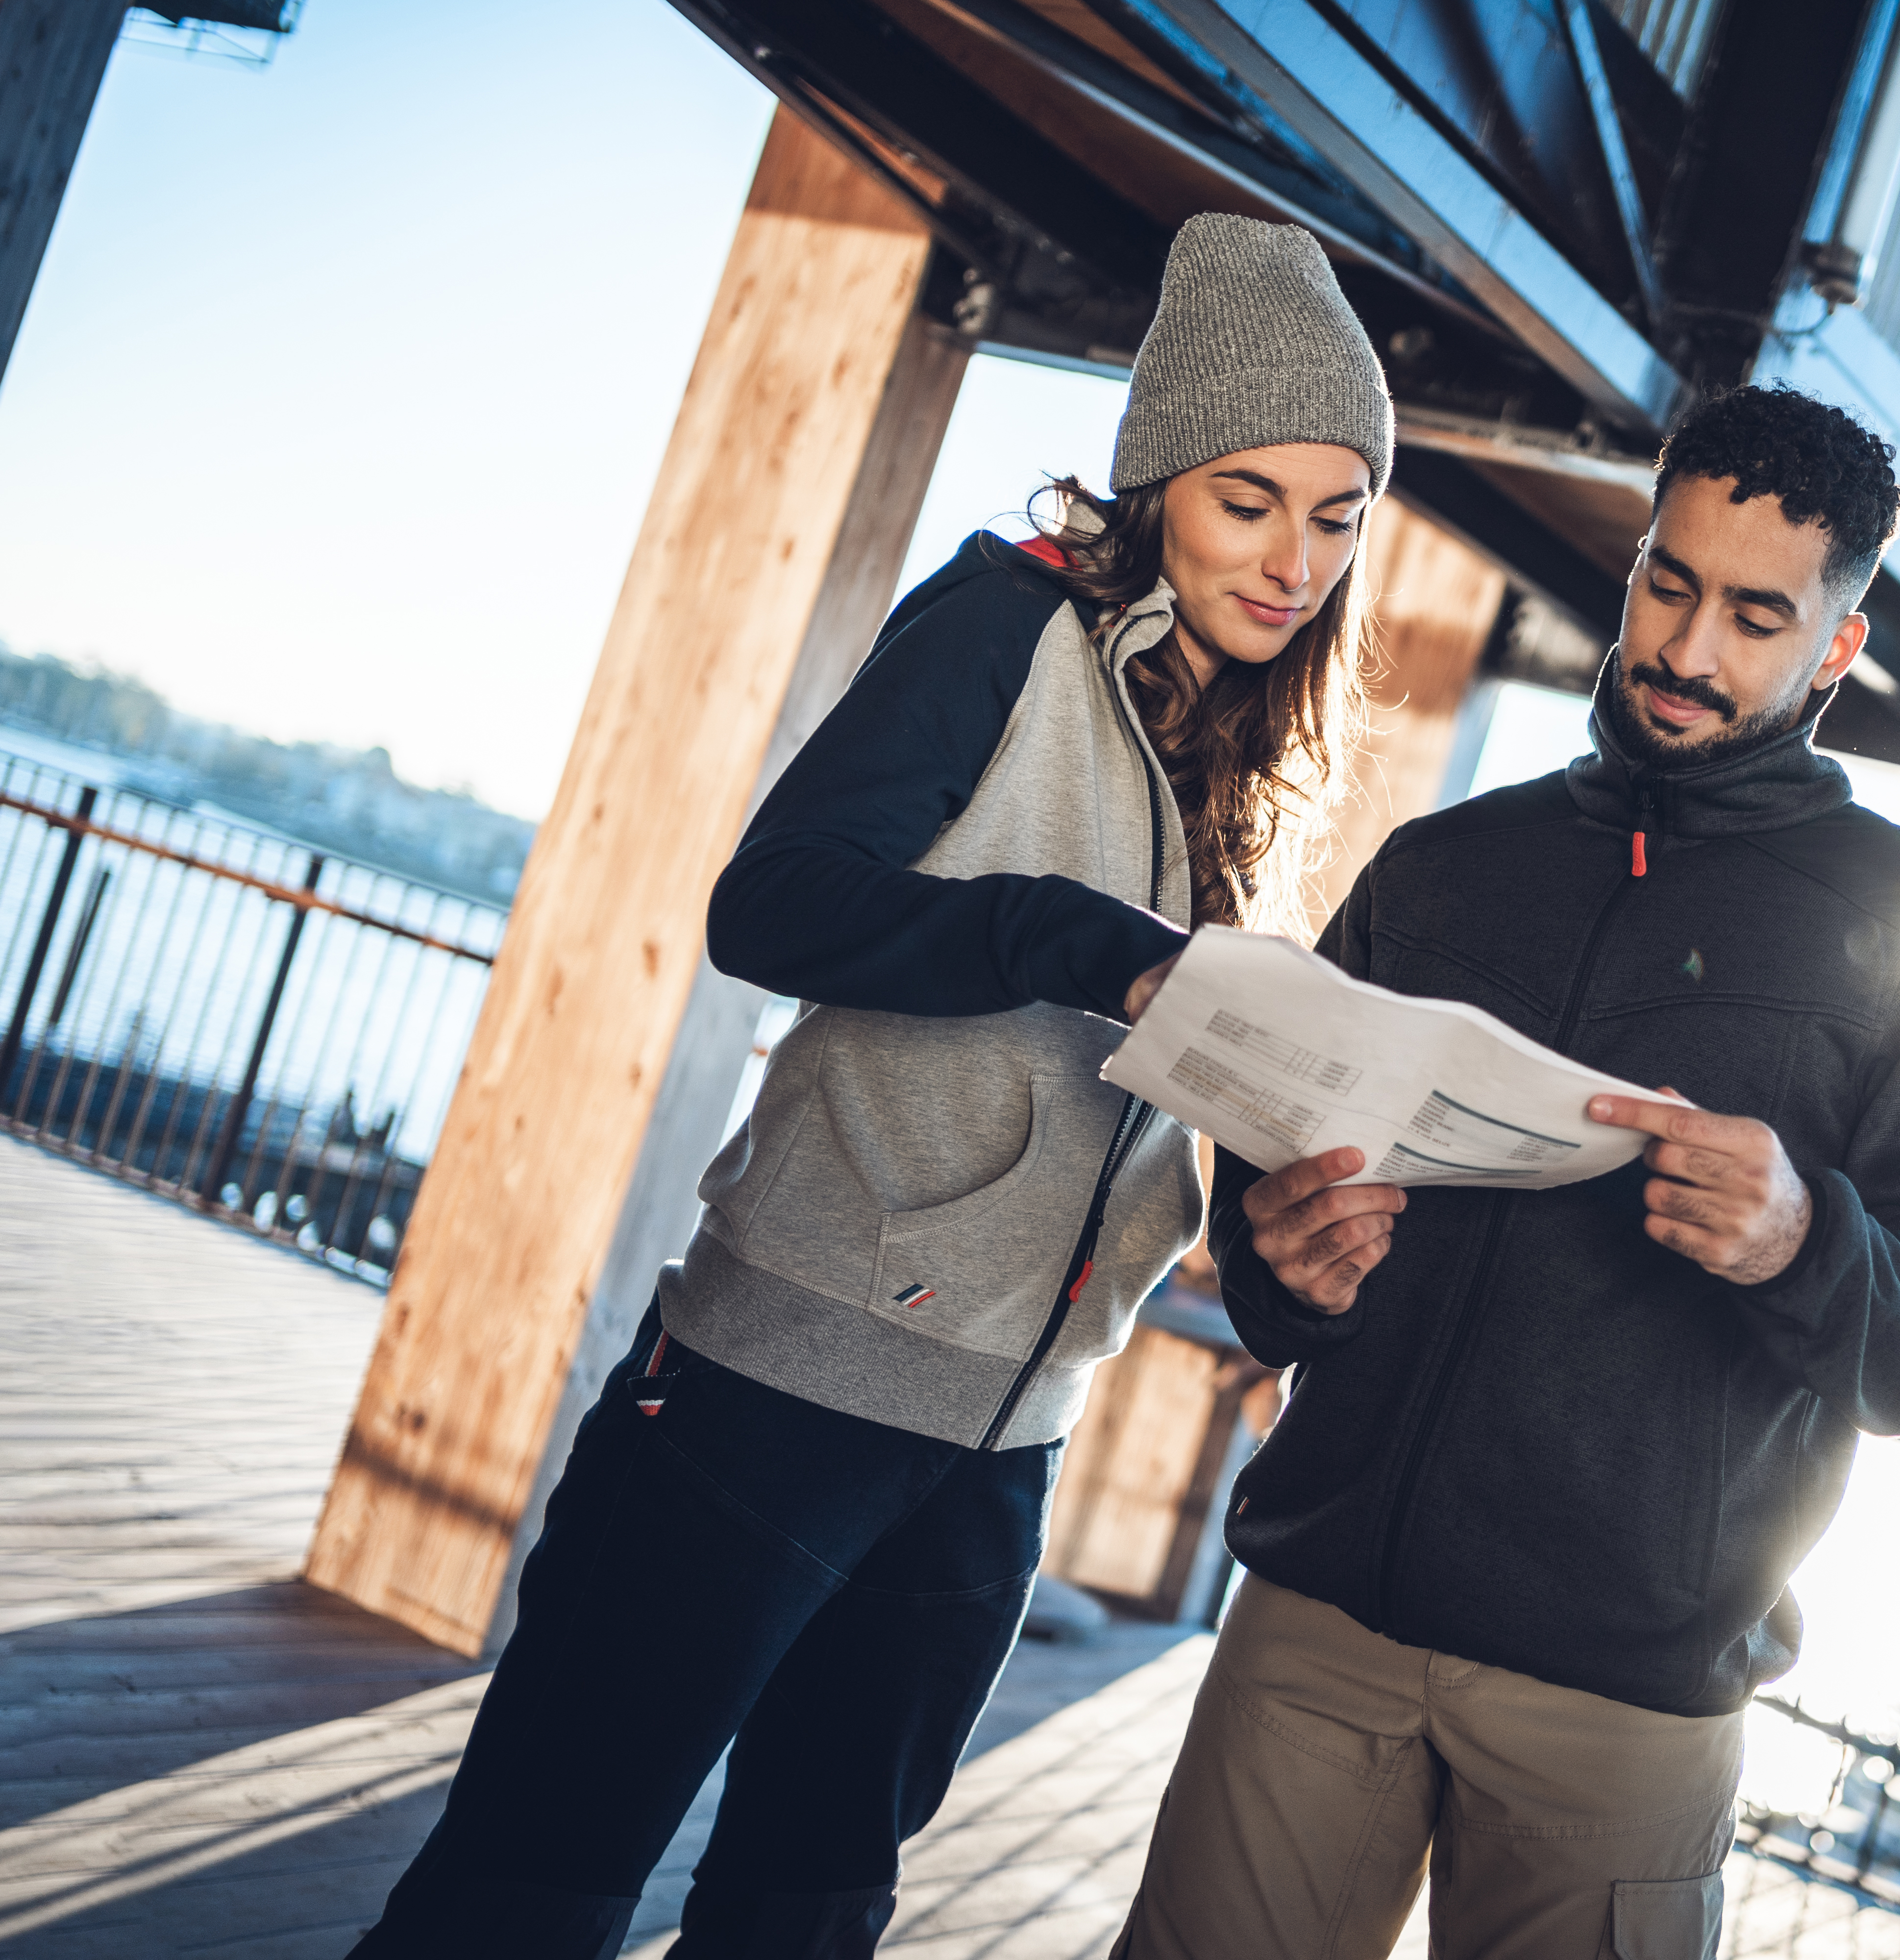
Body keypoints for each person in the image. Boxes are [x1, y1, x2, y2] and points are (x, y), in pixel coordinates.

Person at [350, 212, 1392, 1960]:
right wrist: (1083, 941)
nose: (1296, 559)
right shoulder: (1004, 626)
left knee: (807, 1921)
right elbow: (775, 904)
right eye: (1251, 501)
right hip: (784, 1381)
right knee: (530, 1887)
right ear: (1160, 480)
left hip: (1000, 1448)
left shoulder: (1245, 764)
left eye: (1339, 517)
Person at [1112, 384, 1900, 1960]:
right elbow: (1268, 1203)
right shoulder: (1445, 866)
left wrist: (1807, 1240)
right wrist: (1280, 1258)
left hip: (1625, 1701)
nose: (1688, 651)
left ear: (1834, 647)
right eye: (1668, 585)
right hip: (1319, 1620)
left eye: (1756, 616)